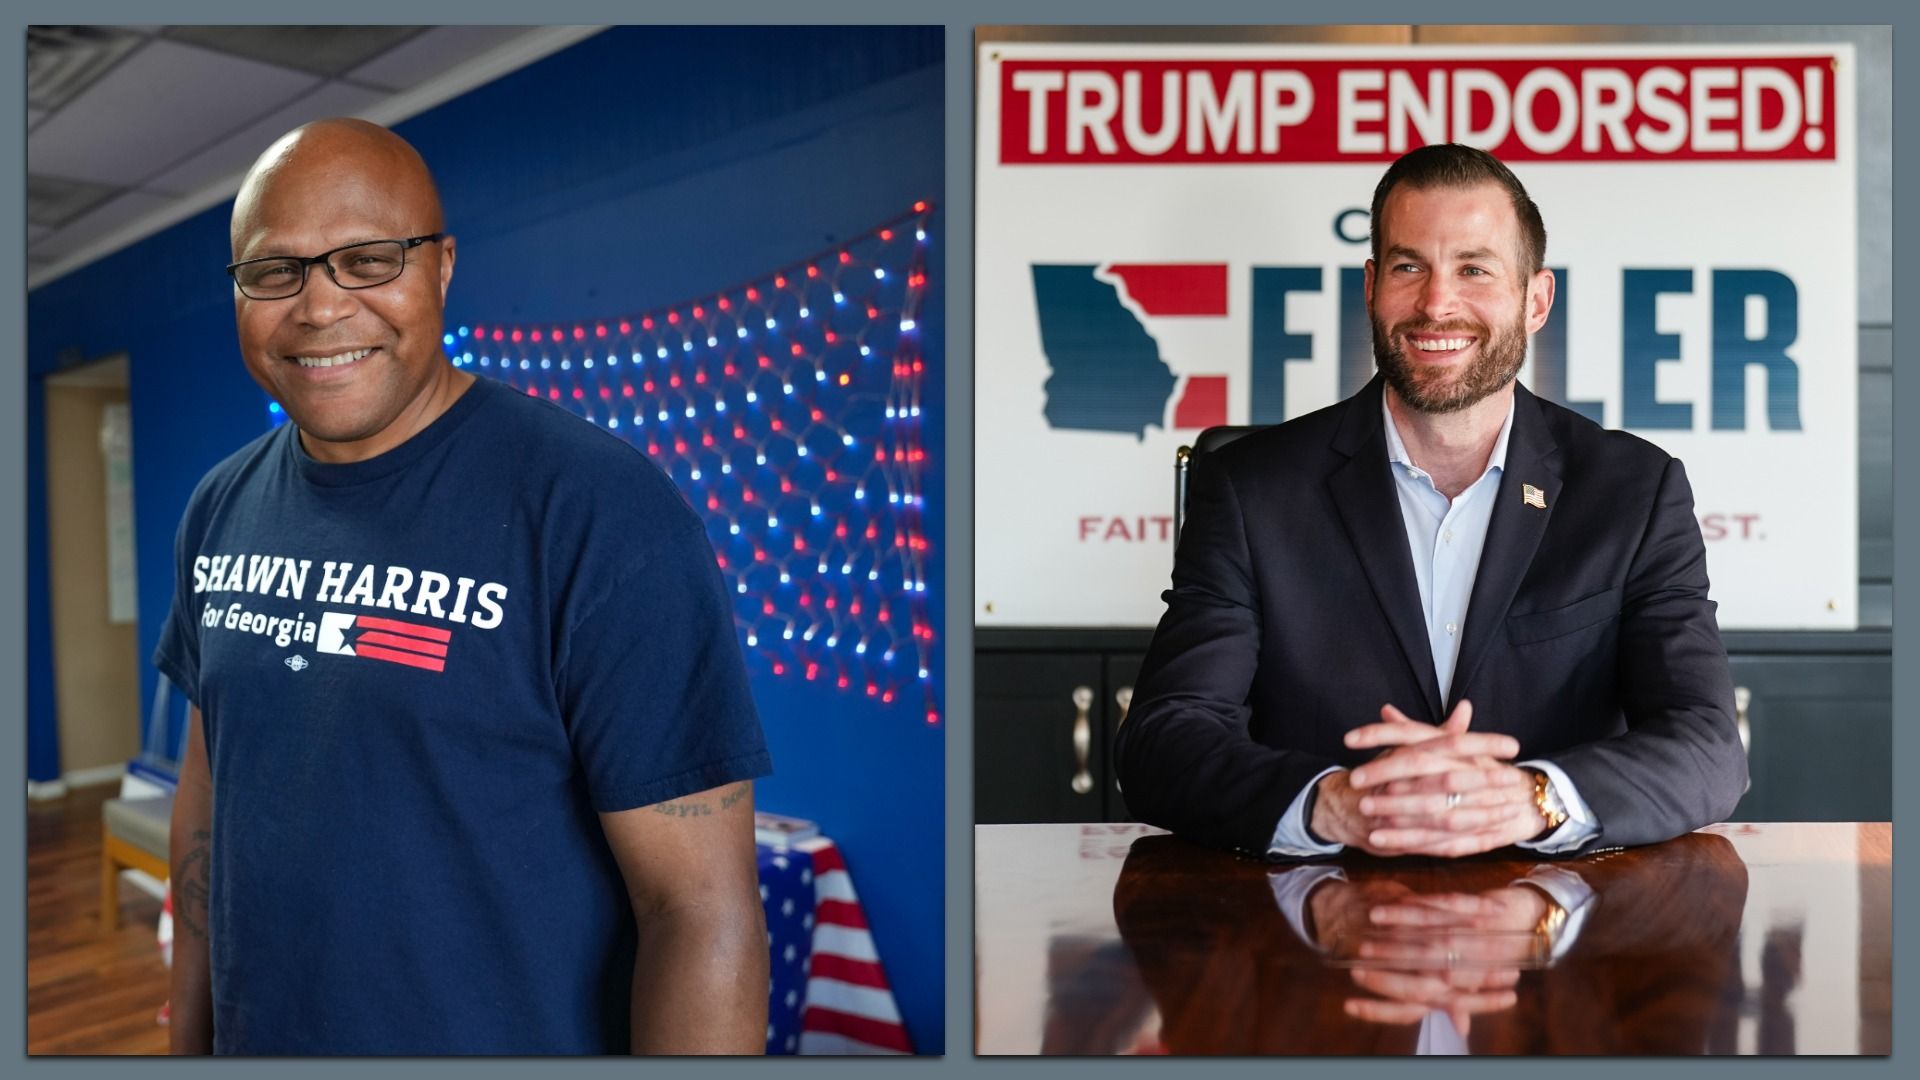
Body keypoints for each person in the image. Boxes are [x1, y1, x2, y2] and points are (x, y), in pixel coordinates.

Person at [157, 119, 773, 1054]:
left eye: (367, 259)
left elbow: (700, 911)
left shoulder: (599, 510)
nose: (320, 308)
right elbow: (210, 796)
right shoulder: (219, 505)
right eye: (274, 271)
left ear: (441, 266)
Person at [1113, 143, 1747, 861]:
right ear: (1371, 287)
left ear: (1535, 300)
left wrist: (1529, 800)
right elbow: (1164, 738)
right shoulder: (1250, 489)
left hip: (1564, 940)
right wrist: (1331, 806)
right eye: (1409, 266)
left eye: (1473, 269)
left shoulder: (1633, 491)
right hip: (1304, 933)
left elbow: (1707, 745)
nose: (1437, 303)